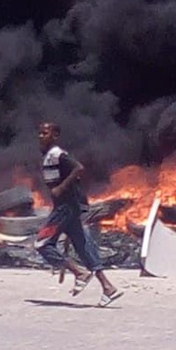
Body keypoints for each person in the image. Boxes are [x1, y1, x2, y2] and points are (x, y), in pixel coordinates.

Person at [35, 122, 122, 308]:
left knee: (42, 243)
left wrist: (61, 187)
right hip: (68, 208)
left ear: (55, 135)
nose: (41, 136)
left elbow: (78, 168)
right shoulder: (49, 156)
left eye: (45, 133)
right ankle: (108, 287)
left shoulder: (57, 154)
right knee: (83, 247)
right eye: (40, 133)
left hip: (65, 208)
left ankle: (79, 273)